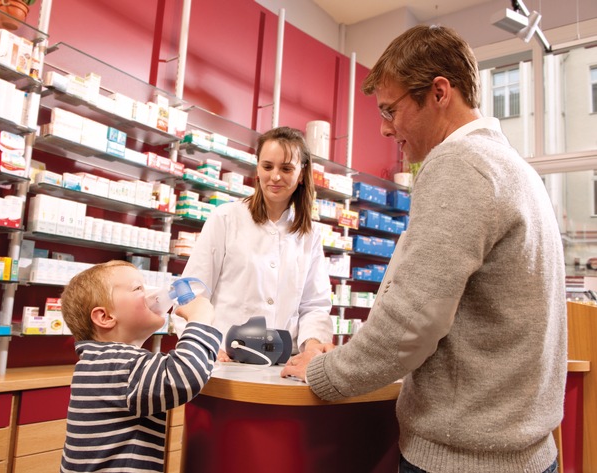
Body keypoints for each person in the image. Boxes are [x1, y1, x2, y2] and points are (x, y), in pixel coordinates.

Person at [281, 25, 566, 473]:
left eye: (391, 110)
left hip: (462, 460)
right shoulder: (515, 169)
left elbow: (410, 323)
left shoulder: (458, 163)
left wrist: (324, 371)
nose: (384, 127)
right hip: (526, 454)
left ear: (438, 93)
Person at [181, 126, 334, 361]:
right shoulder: (226, 217)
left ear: (301, 174)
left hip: (284, 361)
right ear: (258, 169)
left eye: (286, 168)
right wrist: (204, 346)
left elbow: (314, 304)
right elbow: (194, 291)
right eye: (267, 166)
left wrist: (313, 343)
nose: (275, 176)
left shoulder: (309, 234)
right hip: (223, 356)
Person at [59, 260, 222, 473]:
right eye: (138, 288)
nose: (153, 294)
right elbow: (183, 376)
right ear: (105, 317)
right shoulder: (118, 364)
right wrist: (199, 320)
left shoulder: (98, 361)